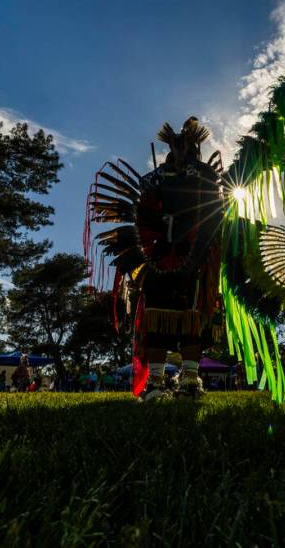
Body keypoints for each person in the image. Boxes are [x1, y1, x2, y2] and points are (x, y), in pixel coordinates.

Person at [90, 117, 224, 402]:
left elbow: (141, 216)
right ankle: (184, 383)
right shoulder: (205, 177)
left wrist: (153, 250)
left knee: (162, 321)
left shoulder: (154, 180)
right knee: (188, 321)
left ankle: (160, 384)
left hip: (159, 259)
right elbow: (216, 216)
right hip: (186, 258)